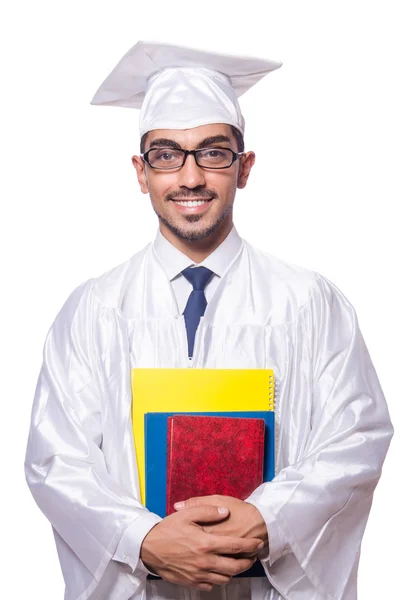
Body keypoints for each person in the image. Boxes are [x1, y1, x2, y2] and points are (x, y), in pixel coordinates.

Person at [25, 40, 393, 600]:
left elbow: (356, 438)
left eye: (214, 153)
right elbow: (57, 461)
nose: (190, 176)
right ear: (140, 172)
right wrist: (142, 537)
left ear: (244, 168)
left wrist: (269, 521)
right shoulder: (94, 310)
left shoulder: (308, 301)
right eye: (167, 154)